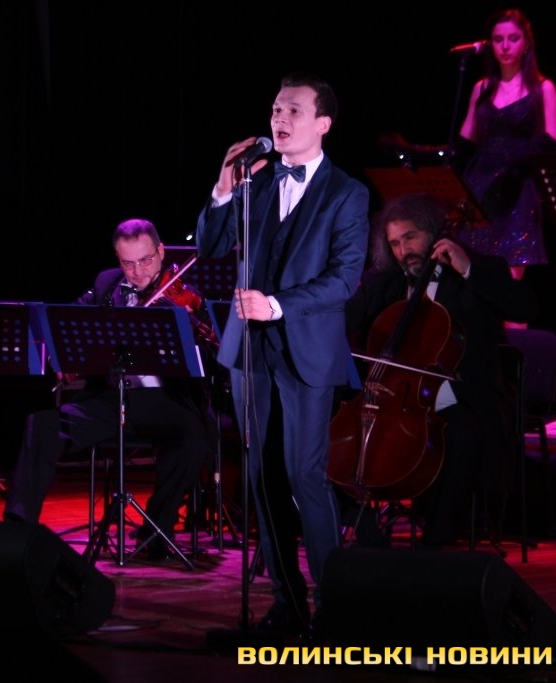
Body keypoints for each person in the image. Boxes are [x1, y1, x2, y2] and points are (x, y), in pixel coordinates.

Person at [195, 71, 370, 638]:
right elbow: (210, 246)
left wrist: (276, 305)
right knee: (261, 478)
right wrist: (224, 185)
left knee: (303, 475)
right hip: (250, 352)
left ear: (324, 123)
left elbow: (344, 279)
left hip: (306, 352)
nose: (280, 118)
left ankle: (336, 605)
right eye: (275, 108)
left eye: (294, 110)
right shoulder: (258, 183)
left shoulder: (346, 193)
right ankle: (286, 603)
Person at [3, 218, 216, 561]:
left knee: (194, 439)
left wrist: (197, 326)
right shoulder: (107, 284)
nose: (138, 273)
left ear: (161, 252)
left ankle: (155, 530)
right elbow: (68, 321)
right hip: (109, 399)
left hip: (165, 400)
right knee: (41, 423)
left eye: (146, 260)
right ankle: (18, 530)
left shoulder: (183, 293)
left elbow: (213, 351)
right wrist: (64, 353)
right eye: (128, 263)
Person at [343, 192, 538, 548]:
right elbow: (346, 318)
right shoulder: (386, 281)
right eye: (395, 243)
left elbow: (524, 307)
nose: (404, 251)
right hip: (398, 398)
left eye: (411, 237)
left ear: (434, 232)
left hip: (463, 395)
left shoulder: (478, 269)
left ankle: (438, 540)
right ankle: (363, 528)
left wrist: (468, 269)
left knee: (460, 434)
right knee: (331, 429)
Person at [452, 7, 556, 281]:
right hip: (480, 184)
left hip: (518, 187)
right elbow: (464, 141)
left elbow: (553, 141)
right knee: (469, 271)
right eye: (498, 39)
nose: (505, 46)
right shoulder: (482, 88)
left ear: (526, 43)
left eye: (513, 38)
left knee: (510, 276)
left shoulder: (543, 88)